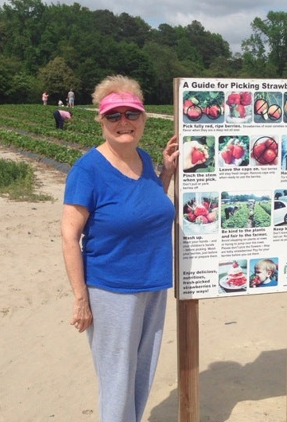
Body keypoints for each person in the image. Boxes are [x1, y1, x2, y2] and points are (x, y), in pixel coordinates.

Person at [61, 75, 178, 422]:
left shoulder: (142, 160)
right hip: (112, 290)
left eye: (131, 114)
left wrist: (166, 173)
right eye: (114, 115)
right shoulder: (88, 170)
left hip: (153, 284)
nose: (123, 122)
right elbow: (69, 236)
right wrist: (81, 299)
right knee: (117, 380)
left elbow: (149, 206)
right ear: (101, 120)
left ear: (143, 118)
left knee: (141, 374)